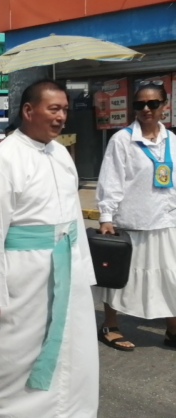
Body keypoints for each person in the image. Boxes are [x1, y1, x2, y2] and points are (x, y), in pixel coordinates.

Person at [0, 80, 98, 417]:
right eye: (54, 109)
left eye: (65, 110)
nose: (61, 117)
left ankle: (66, 408)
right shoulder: (3, 159)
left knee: (70, 343)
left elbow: (72, 220)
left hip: (66, 268)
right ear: (28, 111)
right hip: (24, 274)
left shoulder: (60, 155)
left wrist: (83, 271)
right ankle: (1, 405)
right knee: (14, 348)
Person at [95, 83, 176, 351]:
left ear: (164, 105)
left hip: (166, 221)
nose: (146, 109)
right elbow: (111, 180)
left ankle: (172, 330)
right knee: (120, 277)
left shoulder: (172, 141)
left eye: (153, 103)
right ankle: (110, 325)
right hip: (132, 223)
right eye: (139, 104)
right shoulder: (122, 140)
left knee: (170, 277)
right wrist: (106, 216)